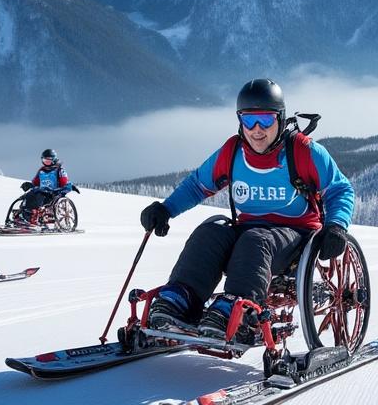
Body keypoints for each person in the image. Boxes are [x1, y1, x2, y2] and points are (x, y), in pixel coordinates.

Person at [139, 79, 355, 340]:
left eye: (265, 120)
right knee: (209, 233)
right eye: (248, 120)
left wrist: (336, 226)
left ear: (281, 118)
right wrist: (166, 209)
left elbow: (339, 189)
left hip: (296, 235)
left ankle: (241, 309)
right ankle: (182, 298)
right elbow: (198, 185)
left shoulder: (303, 151)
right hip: (249, 229)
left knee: (256, 240)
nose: (256, 130)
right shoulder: (233, 151)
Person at [15, 149, 70, 228]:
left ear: (54, 160)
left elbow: (64, 182)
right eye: (45, 160)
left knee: (38, 197)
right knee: (28, 195)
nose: (46, 162)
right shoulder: (42, 171)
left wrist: (59, 190)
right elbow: (35, 182)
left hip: (53, 194)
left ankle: (33, 219)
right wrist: (29, 185)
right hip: (41, 191)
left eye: (49, 160)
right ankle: (22, 217)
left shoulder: (59, 170)